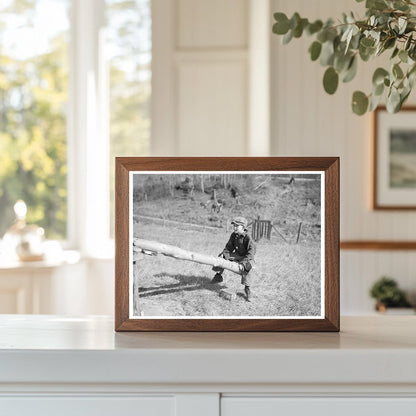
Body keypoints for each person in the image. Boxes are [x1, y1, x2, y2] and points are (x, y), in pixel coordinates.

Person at [211, 216, 256, 302]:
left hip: (247, 257)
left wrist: (243, 262)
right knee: (222, 255)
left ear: (243, 227)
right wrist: (224, 254)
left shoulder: (248, 237)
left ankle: (247, 288)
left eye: (237, 226)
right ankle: (218, 276)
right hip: (237, 255)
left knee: (248, 267)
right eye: (234, 225)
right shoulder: (233, 235)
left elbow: (251, 253)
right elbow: (228, 247)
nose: (234, 228)